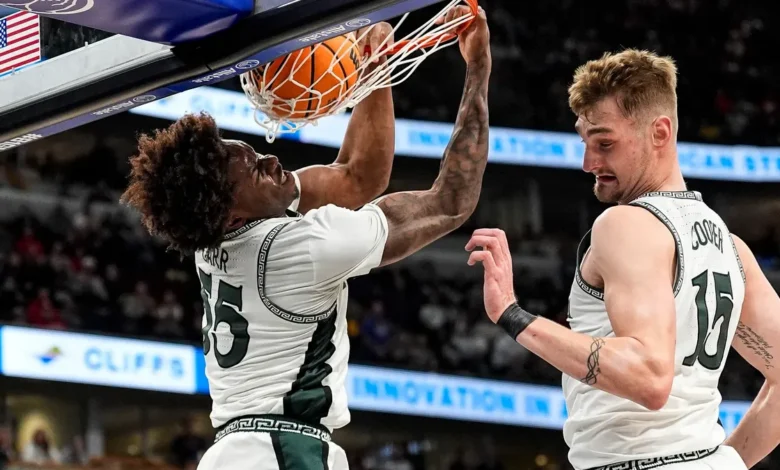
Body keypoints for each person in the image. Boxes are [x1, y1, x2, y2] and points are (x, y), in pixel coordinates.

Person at [122, 8, 491, 470]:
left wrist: (373, 72)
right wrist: (478, 68)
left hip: (240, 449)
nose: (273, 160)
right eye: (257, 169)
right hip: (280, 452)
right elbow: (451, 202)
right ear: (230, 210)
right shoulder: (299, 249)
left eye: (257, 152)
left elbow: (357, 177)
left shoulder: (216, 233)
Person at [468, 49, 780, 470]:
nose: (588, 163)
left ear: (660, 132)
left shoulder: (625, 224)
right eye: (585, 143)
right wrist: (723, 463)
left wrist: (512, 314)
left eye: (605, 143)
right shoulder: (730, 245)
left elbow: (649, 378)